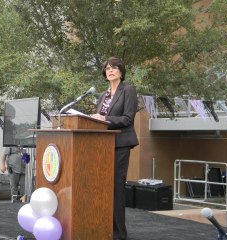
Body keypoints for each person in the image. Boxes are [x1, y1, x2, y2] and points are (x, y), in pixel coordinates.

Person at [91, 57, 139, 240]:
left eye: (114, 68)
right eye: (107, 68)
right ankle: (104, 229)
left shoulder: (128, 90)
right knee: (103, 187)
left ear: (121, 71)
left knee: (116, 188)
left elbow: (127, 118)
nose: (110, 70)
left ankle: (119, 234)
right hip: (102, 145)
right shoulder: (103, 95)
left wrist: (105, 119)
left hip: (120, 144)